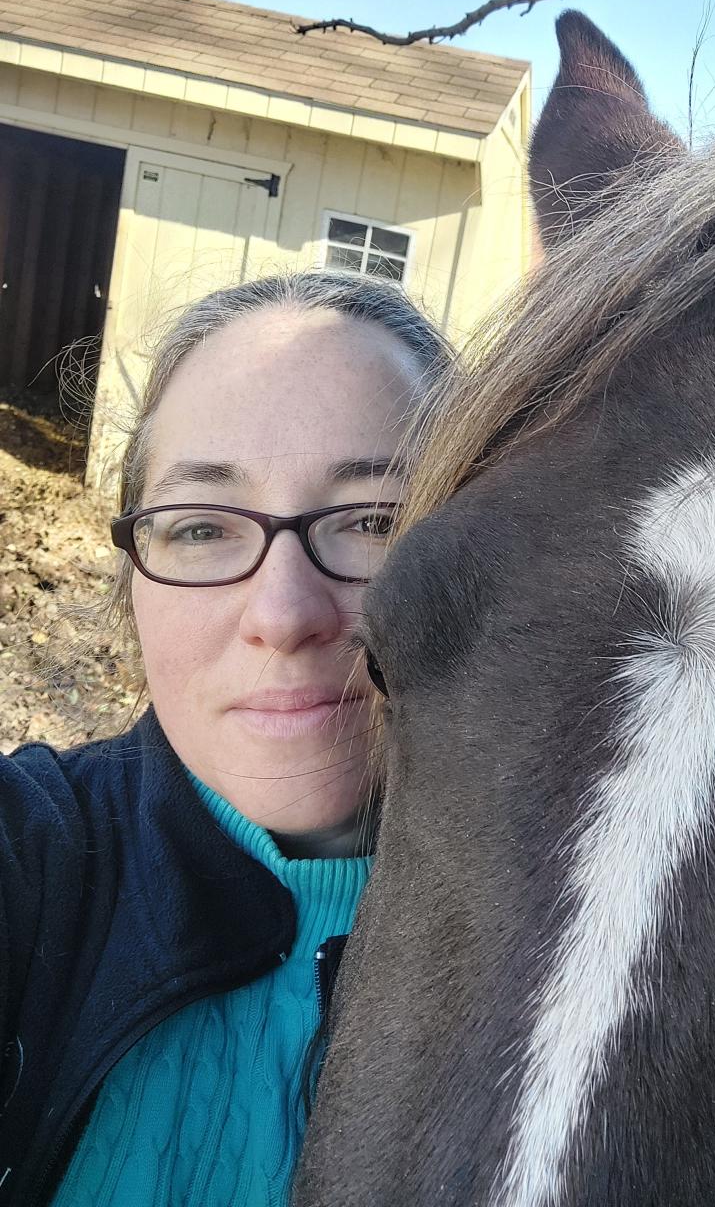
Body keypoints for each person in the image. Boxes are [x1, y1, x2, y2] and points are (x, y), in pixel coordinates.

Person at [0, 270, 446, 1207]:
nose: (284, 615)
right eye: (201, 527)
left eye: (374, 521)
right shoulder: (34, 859)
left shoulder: (603, 931)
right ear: (133, 579)